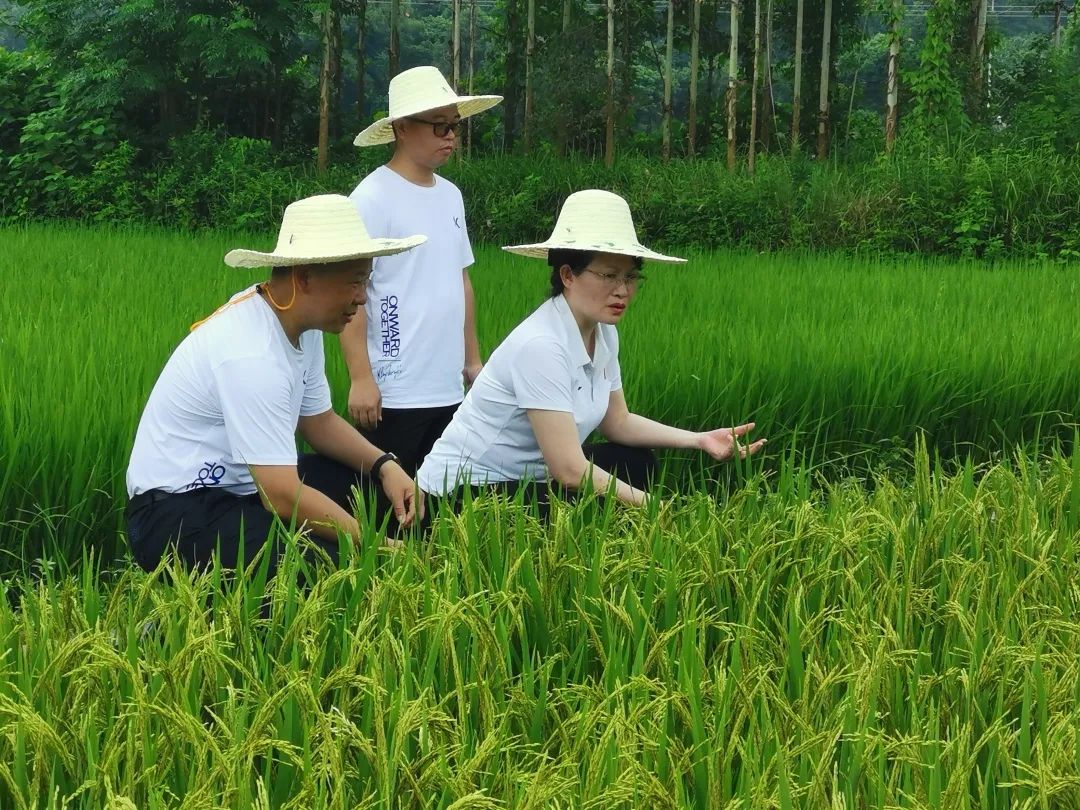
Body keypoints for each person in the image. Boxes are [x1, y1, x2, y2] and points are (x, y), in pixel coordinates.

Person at [125, 194, 426, 575]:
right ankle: (176, 620)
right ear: (304, 279)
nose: (361, 299)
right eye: (354, 282)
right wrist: (373, 544)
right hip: (174, 513)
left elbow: (318, 422)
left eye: (366, 282)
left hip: (244, 488)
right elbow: (281, 495)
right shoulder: (252, 352)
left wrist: (386, 466)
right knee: (326, 568)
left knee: (371, 493)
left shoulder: (299, 323)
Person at [417, 189, 766, 512]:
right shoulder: (541, 346)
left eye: (630, 277)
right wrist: (660, 509)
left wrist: (700, 440)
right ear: (568, 275)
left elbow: (617, 422)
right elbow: (569, 470)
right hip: (464, 493)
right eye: (608, 275)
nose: (622, 291)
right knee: (580, 499)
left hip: (532, 477)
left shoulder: (603, 333)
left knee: (635, 462)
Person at [342, 65, 502, 476]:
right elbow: (351, 292)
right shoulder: (371, 198)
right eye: (438, 127)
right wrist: (361, 377)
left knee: (441, 501)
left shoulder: (451, 197)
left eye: (454, 127)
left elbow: (460, 279)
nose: (450, 137)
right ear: (401, 128)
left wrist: (472, 360)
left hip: (447, 383)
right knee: (389, 507)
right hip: (395, 388)